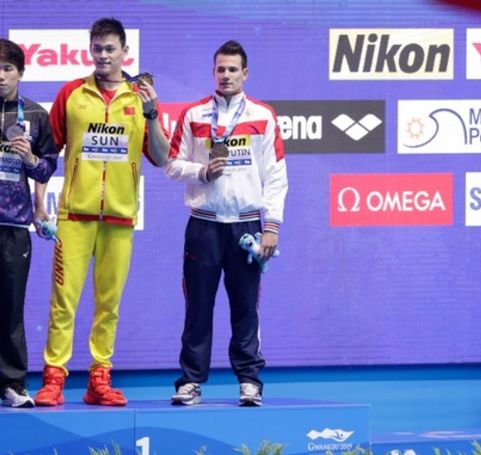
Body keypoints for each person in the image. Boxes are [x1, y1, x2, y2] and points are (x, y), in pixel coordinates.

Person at [33, 17, 169, 407]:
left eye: (111, 49)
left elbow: (160, 158)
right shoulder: (72, 94)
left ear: (125, 51)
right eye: (98, 48)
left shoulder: (140, 97)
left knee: (109, 305)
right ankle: (54, 379)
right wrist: (40, 202)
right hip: (73, 217)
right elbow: (48, 152)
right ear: (89, 50)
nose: (104, 55)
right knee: (64, 302)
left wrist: (153, 113)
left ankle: (99, 379)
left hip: (120, 219)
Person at [164, 40, 287, 406]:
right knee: (197, 306)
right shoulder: (194, 115)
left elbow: (276, 174)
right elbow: (171, 164)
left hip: (247, 226)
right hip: (203, 225)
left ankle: (249, 381)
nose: (226, 75)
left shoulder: (263, 115)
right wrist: (201, 171)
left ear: (245, 73)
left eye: (233, 69)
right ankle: (190, 381)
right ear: (213, 72)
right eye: (221, 69)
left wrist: (273, 225)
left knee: (246, 306)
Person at [0, 39, 58, 408]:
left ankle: (12, 384)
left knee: (10, 307)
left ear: (21, 72)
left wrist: (32, 158)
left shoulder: (35, 115)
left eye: (7, 68)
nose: (0, 75)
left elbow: (48, 166)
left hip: (14, 224)